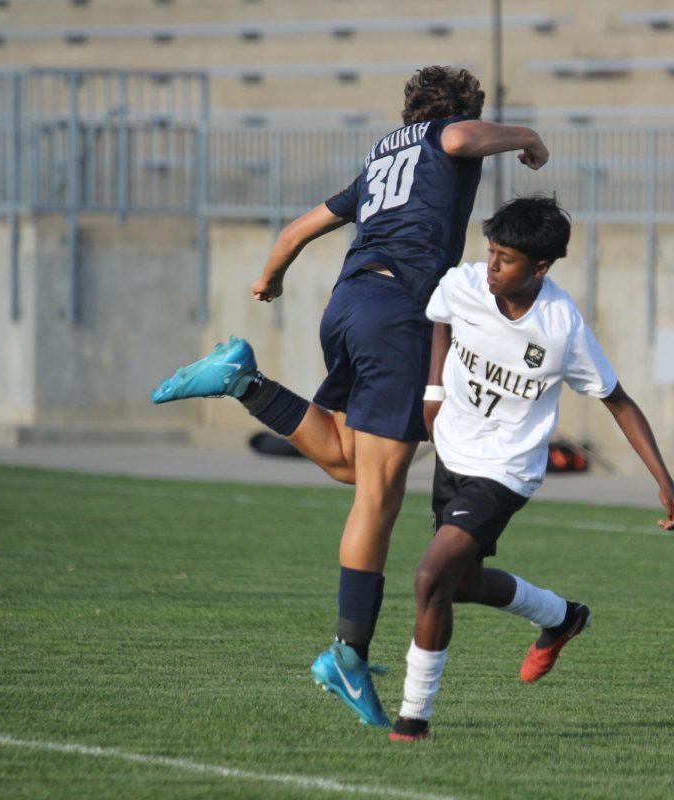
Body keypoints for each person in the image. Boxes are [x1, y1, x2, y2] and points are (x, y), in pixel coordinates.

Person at [150, 66, 550, 727]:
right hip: (397, 314)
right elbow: (458, 141)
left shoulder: (380, 161)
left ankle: (241, 380)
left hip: (350, 303)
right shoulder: (445, 138)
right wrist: (527, 136)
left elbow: (295, 231)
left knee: (348, 464)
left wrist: (269, 279)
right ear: (458, 111)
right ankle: (348, 651)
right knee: (378, 494)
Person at [388, 196, 674, 742]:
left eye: (506, 258)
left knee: (430, 577)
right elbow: (440, 318)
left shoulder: (561, 327)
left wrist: (664, 481)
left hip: (504, 470)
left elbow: (618, 400)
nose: (493, 266)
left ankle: (413, 719)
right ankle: (560, 616)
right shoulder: (466, 284)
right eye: (492, 252)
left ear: (541, 267)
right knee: (457, 585)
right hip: (453, 451)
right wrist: (434, 391)